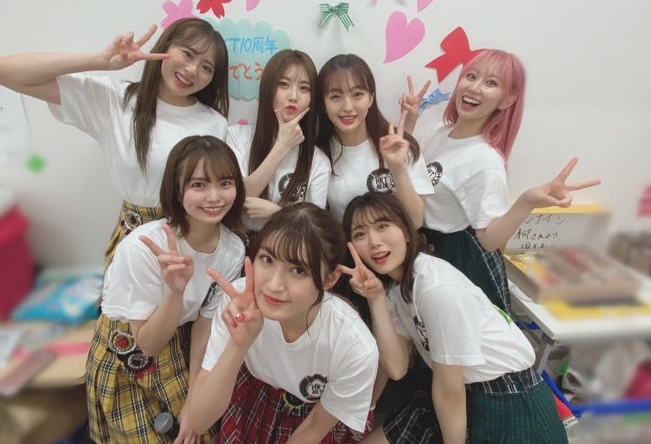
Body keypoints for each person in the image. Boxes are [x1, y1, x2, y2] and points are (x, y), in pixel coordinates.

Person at [0, 18, 230, 265]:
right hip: (133, 242)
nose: (192, 70)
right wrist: (102, 60)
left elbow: (221, 192)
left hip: (191, 245)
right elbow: (1, 70)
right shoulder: (114, 100)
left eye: (206, 68)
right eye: (187, 54)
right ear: (165, 46)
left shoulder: (214, 123)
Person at [343, 192, 569, 444]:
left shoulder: (435, 287)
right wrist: (375, 298)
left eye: (383, 226)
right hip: (460, 389)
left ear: (406, 231)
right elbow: (396, 368)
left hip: (511, 398)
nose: (374, 242)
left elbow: (450, 392)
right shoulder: (396, 290)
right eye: (360, 234)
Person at [403, 49, 600, 310]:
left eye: (491, 83)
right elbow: (410, 174)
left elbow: (489, 239)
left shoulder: (485, 160)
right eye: (471, 76)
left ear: (507, 100)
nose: (474, 87)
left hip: (457, 256)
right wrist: (408, 124)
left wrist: (526, 201)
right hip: (425, 243)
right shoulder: (441, 132)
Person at [84, 136, 246, 444]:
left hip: (177, 341)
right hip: (127, 348)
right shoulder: (143, 246)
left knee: (200, 432)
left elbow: (204, 325)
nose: (214, 196)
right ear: (177, 189)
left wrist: (194, 396)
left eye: (225, 183)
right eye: (198, 185)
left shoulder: (232, 249)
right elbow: (147, 344)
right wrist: (175, 292)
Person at [186, 203, 379, 444]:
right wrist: (238, 345)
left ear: (330, 278)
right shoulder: (238, 303)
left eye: (298, 270)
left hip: (312, 414)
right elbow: (199, 421)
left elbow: (315, 427)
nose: (274, 285)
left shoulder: (354, 346)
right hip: (253, 390)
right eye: (267, 259)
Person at [316, 54, 433, 227]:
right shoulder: (318, 156)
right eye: (335, 96)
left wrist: (398, 169)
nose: (347, 107)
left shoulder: (399, 145)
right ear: (323, 104)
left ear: (370, 98)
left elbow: (415, 221)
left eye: (357, 94)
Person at [225, 49, 330, 233]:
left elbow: (314, 230)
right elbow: (237, 198)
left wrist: (276, 213)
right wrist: (282, 146)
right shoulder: (237, 136)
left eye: (304, 88)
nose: (293, 96)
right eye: (283, 84)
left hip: (288, 247)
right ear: (268, 89)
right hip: (237, 243)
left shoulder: (318, 161)